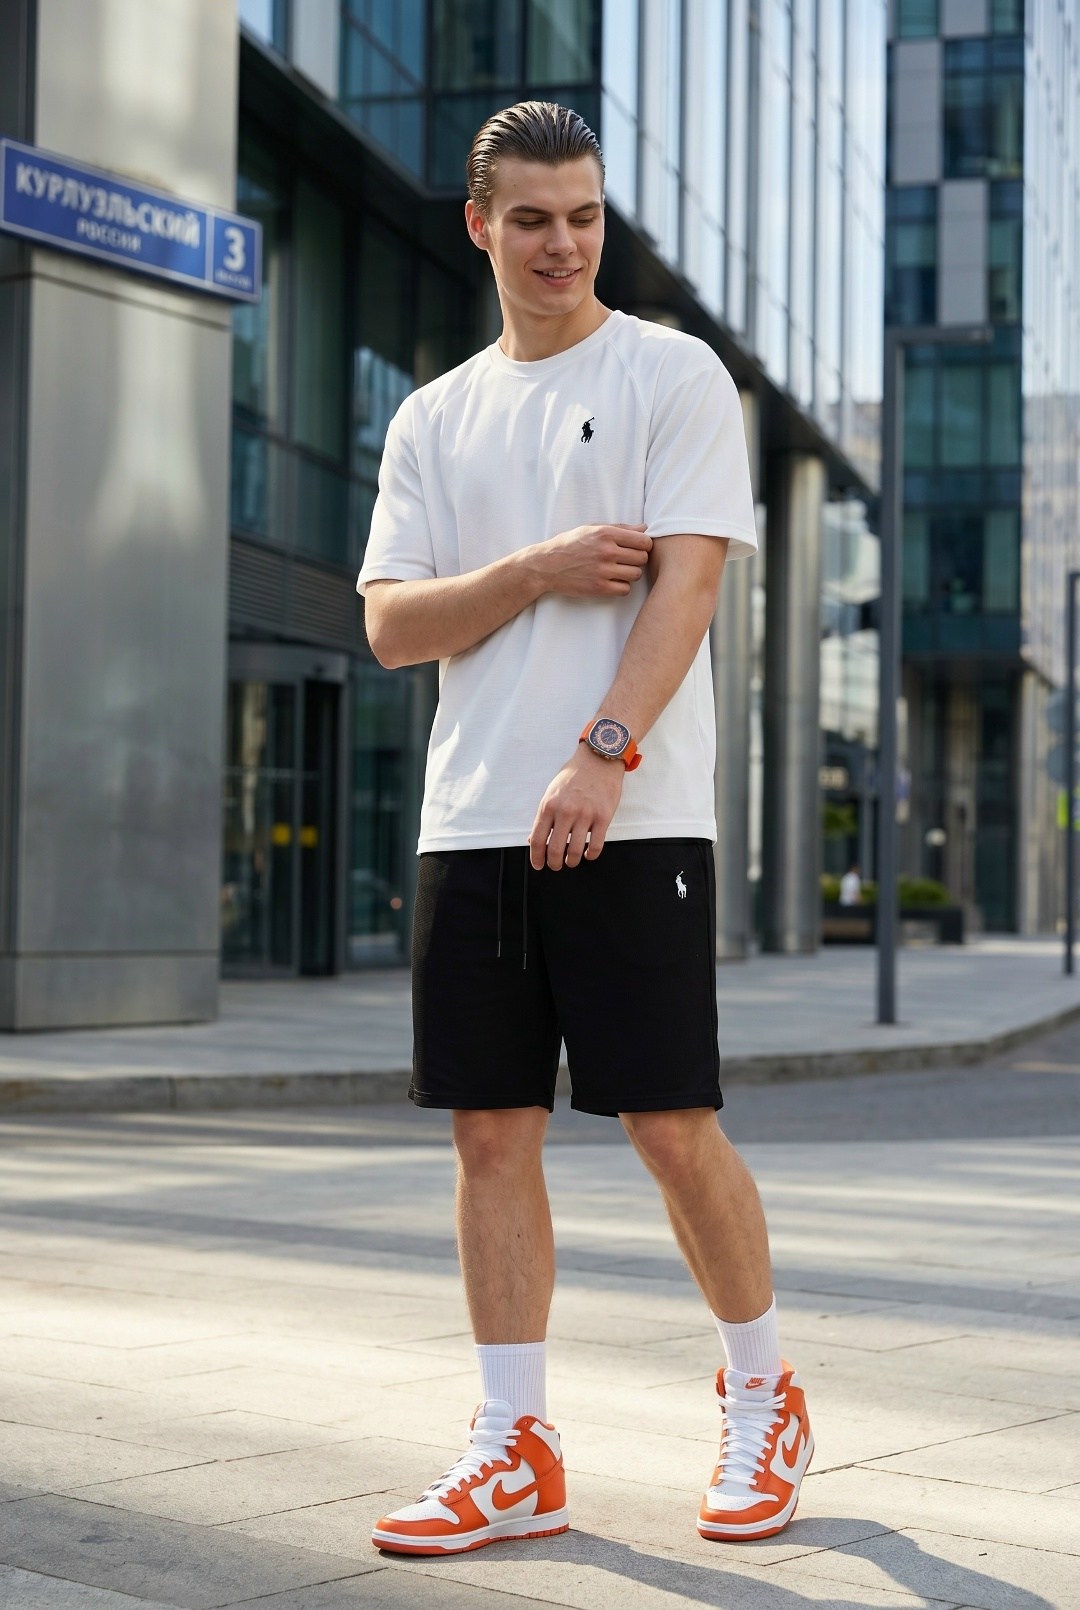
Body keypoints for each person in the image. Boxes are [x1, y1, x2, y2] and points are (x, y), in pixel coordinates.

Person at [358, 101, 813, 1557]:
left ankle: (764, 1395)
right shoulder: (433, 417)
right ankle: (515, 1449)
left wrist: (604, 756)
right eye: (534, 219)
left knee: (670, 1124)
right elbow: (393, 625)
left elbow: (689, 586)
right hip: (471, 818)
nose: (563, 244)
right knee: (489, 1133)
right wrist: (538, 567)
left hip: (636, 815)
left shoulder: (673, 373)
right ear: (480, 226)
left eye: (585, 216)